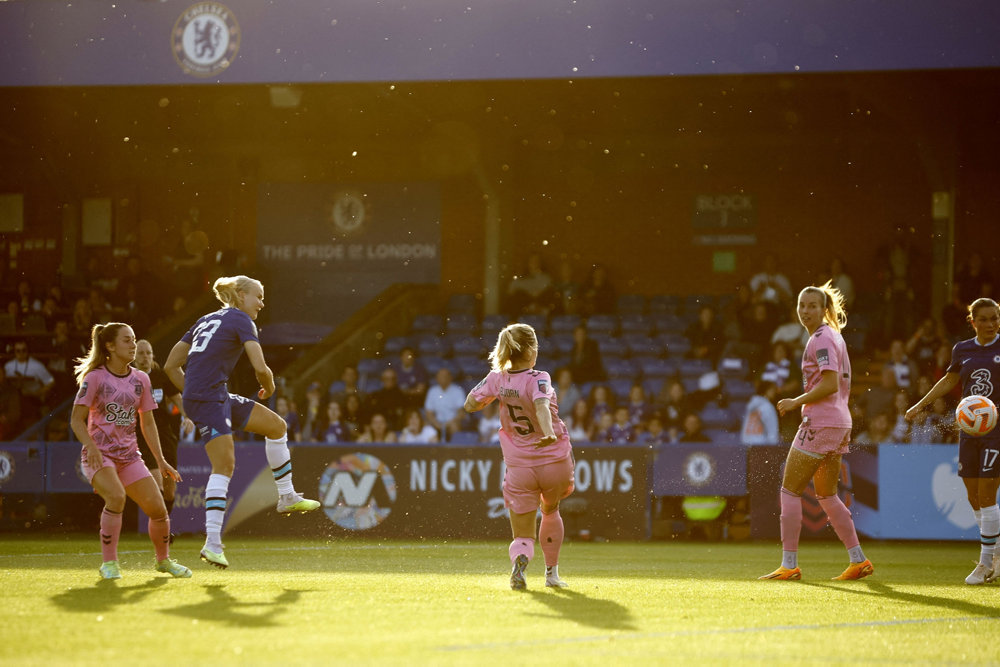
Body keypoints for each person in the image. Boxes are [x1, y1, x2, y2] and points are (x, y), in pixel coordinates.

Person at [163, 275, 320, 570]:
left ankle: (286, 496)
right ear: (240, 295)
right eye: (258, 296)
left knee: (277, 427)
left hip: (214, 396)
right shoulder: (241, 320)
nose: (262, 303)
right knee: (224, 466)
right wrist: (270, 386)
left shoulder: (206, 319)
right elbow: (261, 368)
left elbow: (171, 365)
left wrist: (192, 393)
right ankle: (212, 544)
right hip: (210, 399)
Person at [759, 282, 873, 582]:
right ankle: (858, 560)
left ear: (824, 310)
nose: (805, 311)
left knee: (789, 490)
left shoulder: (820, 340)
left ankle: (789, 564)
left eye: (812, 306)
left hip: (820, 422)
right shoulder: (833, 336)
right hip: (839, 422)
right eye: (802, 305)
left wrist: (796, 400)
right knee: (826, 495)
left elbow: (830, 383)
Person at [70, 322, 191, 580]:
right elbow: (76, 420)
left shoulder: (141, 379)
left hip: (129, 457)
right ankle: (110, 564)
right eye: (127, 340)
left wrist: (161, 460)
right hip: (100, 454)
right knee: (116, 498)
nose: (133, 345)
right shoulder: (95, 377)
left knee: (158, 509)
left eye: (134, 339)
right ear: (110, 346)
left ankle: (163, 561)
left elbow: (148, 423)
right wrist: (90, 446)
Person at [464, 322, 574, 590]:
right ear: (531, 350)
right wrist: (547, 431)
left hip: (520, 467)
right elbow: (541, 404)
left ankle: (521, 561)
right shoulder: (540, 377)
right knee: (550, 510)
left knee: (522, 532)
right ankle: (551, 575)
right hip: (553, 460)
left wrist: (496, 392)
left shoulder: (497, 379)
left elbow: (469, 405)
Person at [905, 297, 1000, 585]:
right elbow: (948, 381)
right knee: (972, 495)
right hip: (969, 430)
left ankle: (985, 564)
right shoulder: (963, 349)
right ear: (972, 322)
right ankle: (996, 554)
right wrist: (920, 404)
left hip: (995, 431)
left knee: (986, 495)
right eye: (983, 319)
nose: (990, 324)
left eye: (994, 318)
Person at [133, 339, 193, 532]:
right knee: (156, 479)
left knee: (169, 489)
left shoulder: (160, 376)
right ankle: (162, 529)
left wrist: (187, 417)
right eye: (141, 353)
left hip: (165, 435)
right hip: (140, 435)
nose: (145, 357)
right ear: (134, 356)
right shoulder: (129, 377)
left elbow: (177, 398)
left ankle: (163, 523)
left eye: (148, 353)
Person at [4, 339, 55, 434]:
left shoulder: (36, 365)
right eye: (18, 351)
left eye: (24, 350)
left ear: (27, 351)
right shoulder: (8, 366)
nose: (21, 353)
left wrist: (38, 393)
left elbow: (50, 381)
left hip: (32, 399)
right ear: (14, 351)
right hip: (14, 401)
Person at [423, 367, 468, 442]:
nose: (443, 378)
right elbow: (428, 413)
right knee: (426, 426)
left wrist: (448, 423)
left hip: (452, 422)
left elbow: (461, 413)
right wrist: (436, 423)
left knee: (454, 426)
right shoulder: (432, 391)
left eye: (445, 376)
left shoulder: (457, 391)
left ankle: (455, 449)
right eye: (440, 376)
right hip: (436, 422)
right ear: (437, 378)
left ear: (450, 378)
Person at [740, 380, 780, 445]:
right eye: (772, 389)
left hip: (746, 444)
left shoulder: (751, 405)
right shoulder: (767, 406)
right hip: (761, 447)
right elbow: (772, 432)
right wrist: (773, 448)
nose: (775, 392)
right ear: (766, 390)